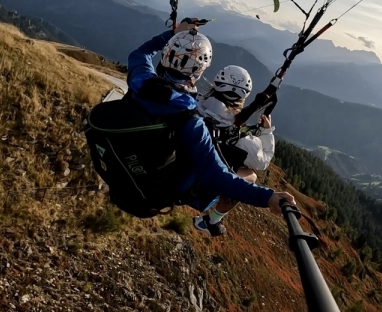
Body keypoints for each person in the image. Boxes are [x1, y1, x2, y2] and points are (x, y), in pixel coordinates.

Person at [121, 21, 294, 219]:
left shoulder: (140, 80)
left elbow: (140, 54)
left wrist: (173, 34)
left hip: (128, 158)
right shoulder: (189, 120)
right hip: (163, 187)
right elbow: (217, 175)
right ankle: (212, 221)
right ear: (200, 71)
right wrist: (267, 197)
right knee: (249, 175)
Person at [191, 65, 277, 237]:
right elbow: (264, 161)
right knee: (251, 175)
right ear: (243, 96)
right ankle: (211, 221)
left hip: (181, 168)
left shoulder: (194, 103)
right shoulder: (241, 141)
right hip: (202, 184)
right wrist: (266, 132)